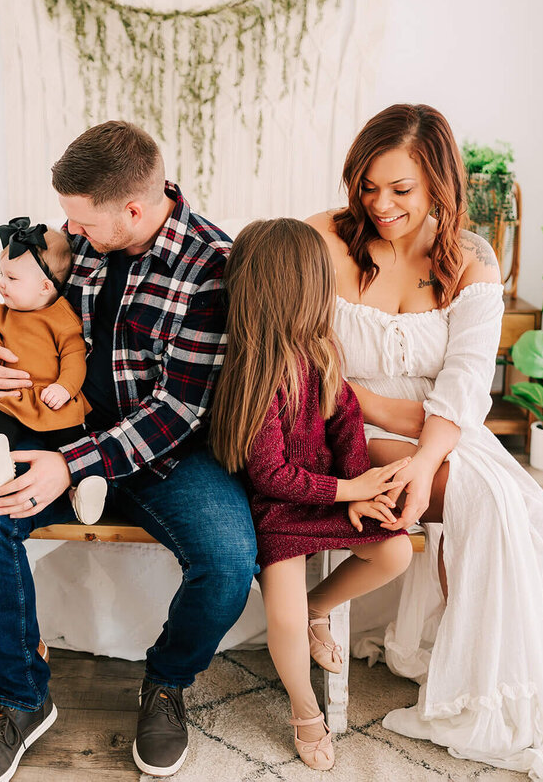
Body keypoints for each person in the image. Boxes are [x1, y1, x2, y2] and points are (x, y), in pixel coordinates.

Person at [306, 104, 543, 779]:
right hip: (345, 425)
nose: (381, 204)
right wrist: (363, 403)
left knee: (527, 506)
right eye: (369, 185)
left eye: (402, 190)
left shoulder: (469, 257)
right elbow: (276, 309)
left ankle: (473, 658)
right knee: (483, 497)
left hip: (440, 425)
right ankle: (471, 681)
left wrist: (426, 457)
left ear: (438, 187)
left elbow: (465, 384)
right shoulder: (323, 239)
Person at [0, 121, 258, 782]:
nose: (70, 235)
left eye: (82, 223)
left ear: (136, 210)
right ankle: (22, 701)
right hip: (51, 431)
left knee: (230, 560)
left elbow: (178, 408)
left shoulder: (212, 265)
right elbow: (24, 318)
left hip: (161, 451)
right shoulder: (78, 243)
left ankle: (168, 681)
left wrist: (78, 462)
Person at [210, 218, 414, 771]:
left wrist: (356, 493)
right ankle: (305, 710)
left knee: (394, 549)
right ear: (298, 289)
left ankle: (319, 608)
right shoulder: (252, 371)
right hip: (278, 509)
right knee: (281, 608)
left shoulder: (323, 354)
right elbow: (270, 476)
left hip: (327, 495)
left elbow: (347, 424)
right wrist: (348, 487)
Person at [0, 216, 108, 525]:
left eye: (11, 278)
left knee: (71, 440)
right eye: (2, 275)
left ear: (45, 287)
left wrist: (65, 387)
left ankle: (84, 487)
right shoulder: (3, 312)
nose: (1, 284)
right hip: (12, 399)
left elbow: (75, 357)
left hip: (53, 401)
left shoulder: (62, 317)